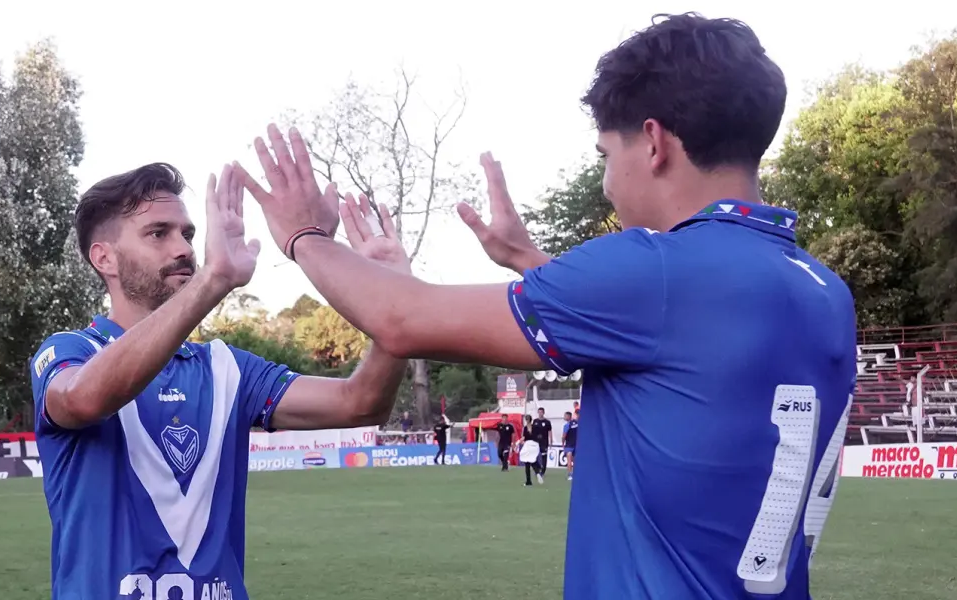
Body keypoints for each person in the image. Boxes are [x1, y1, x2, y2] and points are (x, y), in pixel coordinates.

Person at [240, 12, 854, 599]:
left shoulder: (655, 269)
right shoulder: (824, 292)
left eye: (605, 157)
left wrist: (304, 237)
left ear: (653, 143)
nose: (609, 182)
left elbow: (402, 319)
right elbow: (678, 360)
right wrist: (528, 260)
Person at [27, 163, 408, 600]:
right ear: (104, 258)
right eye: (158, 234)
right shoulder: (71, 352)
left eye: (188, 235)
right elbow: (83, 399)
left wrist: (393, 298)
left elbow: (361, 402)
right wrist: (212, 282)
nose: (184, 249)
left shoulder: (227, 369)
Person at [517, 415, 545, 486]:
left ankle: (528, 481)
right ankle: (538, 472)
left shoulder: (525, 428)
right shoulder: (536, 427)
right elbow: (540, 436)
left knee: (527, 463)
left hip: (528, 445)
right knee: (532, 460)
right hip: (535, 445)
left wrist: (517, 442)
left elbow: (523, 438)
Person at [533, 407, 553, 476]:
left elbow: (550, 431)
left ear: (543, 413)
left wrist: (551, 440)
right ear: (538, 413)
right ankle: (537, 469)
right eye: (539, 412)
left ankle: (543, 471)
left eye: (541, 412)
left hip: (544, 442)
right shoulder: (535, 421)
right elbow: (533, 431)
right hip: (536, 442)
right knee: (534, 456)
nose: (540, 413)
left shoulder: (547, 422)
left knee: (544, 456)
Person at [562, 410, 579, 481]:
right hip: (576, 444)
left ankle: (570, 475)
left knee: (569, 461)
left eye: (565, 416)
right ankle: (576, 474)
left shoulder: (567, 425)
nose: (564, 417)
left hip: (569, 445)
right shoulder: (577, 423)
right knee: (575, 461)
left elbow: (564, 436)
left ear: (568, 416)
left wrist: (563, 444)